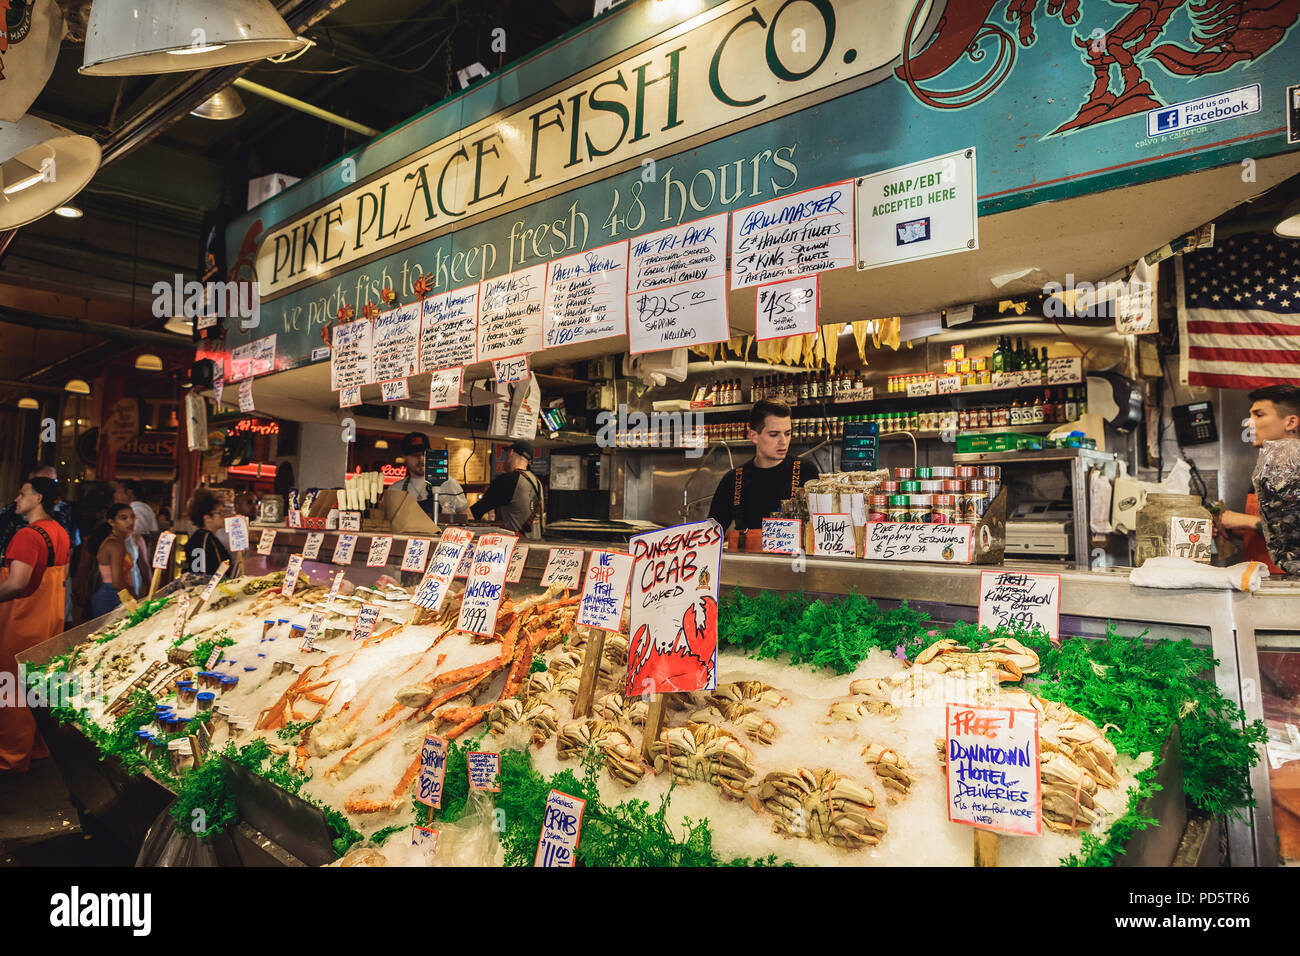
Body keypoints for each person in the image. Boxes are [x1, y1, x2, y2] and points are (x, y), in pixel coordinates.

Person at [0, 477, 71, 772]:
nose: (17, 498)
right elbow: (63, 577)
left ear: (38, 497)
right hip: (49, 623)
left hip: (21, 623)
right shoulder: (61, 533)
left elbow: (17, 583)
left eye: (23, 493)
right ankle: (37, 748)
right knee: (38, 689)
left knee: (12, 691)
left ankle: (10, 757)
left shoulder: (28, 536)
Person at [1218, 384, 1300, 573]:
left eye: (1259, 415)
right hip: (1264, 580)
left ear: (1290, 422)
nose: (1248, 423)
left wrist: (1246, 521)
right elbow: (1281, 527)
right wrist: (1237, 530)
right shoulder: (1269, 467)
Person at [708, 400, 821, 533]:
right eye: (774, 434)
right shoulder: (734, 479)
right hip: (747, 552)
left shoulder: (806, 472)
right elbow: (711, 534)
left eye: (788, 433)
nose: (783, 441)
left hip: (796, 553)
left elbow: (821, 527)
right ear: (754, 436)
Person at [470, 439, 543, 536]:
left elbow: (477, 510)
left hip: (514, 546)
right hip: (536, 544)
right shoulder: (537, 482)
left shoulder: (508, 480)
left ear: (511, 453)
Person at [396, 432, 468, 517]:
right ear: (404, 457)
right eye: (415, 455)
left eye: (424, 454)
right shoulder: (396, 489)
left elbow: (467, 517)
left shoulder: (448, 483)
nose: (421, 459)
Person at [89, 504, 141, 618]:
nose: (130, 522)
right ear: (112, 522)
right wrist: (134, 600)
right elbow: (117, 582)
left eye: (132, 517)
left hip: (115, 594)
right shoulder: (114, 545)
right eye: (124, 518)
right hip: (112, 595)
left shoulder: (119, 542)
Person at [185, 489, 231, 576]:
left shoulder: (209, 537)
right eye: (220, 512)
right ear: (207, 518)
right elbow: (198, 575)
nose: (224, 516)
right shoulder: (201, 540)